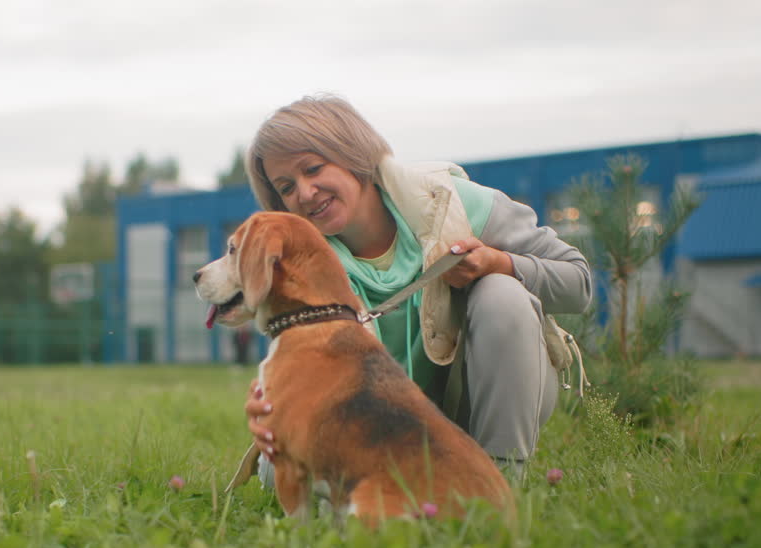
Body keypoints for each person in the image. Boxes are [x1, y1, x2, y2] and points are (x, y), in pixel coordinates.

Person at [242, 94, 592, 481]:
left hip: (475, 411)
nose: (305, 193)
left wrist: (501, 263)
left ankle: (501, 483)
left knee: (501, 294)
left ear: (353, 153)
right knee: (276, 474)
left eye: (313, 169)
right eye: (286, 187)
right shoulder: (297, 267)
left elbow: (579, 282)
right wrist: (276, 409)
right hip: (380, 430)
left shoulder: (453, 204)